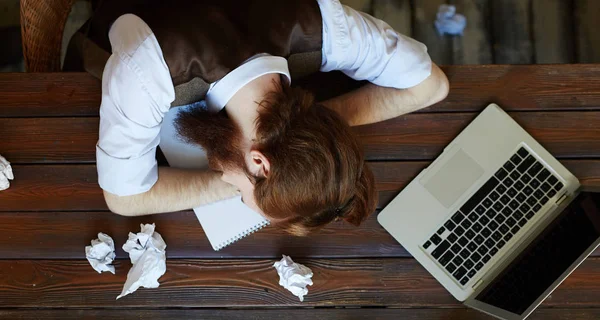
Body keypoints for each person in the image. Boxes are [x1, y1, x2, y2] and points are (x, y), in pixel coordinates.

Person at [68, 0, 449, 235]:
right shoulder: (146, 72)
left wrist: (312, 125)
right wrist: (231, 185)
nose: (233, 187)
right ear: (258, 161)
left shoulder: (325, 23)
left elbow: (432, 86)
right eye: (242, 194)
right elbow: (123, 199)